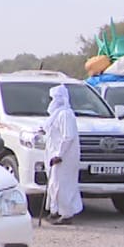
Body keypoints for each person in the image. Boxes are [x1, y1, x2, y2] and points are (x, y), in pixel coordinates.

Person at [42, 84, 82, 225]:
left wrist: (59, 154)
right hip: (55, 156)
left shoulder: (66, 114)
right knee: (54, 185)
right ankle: (55, 211)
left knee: (62, 185)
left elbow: (68, 137)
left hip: (64, 158)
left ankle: (66, 214)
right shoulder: (56, 115)